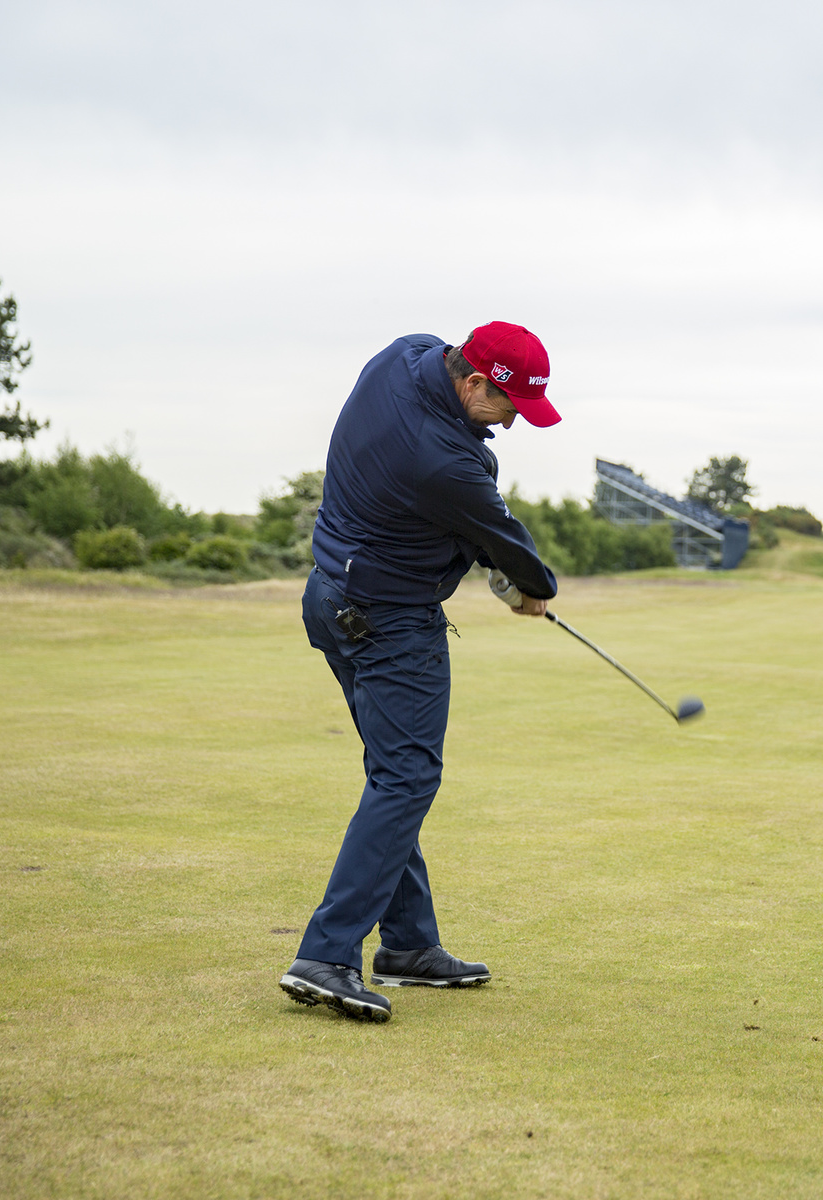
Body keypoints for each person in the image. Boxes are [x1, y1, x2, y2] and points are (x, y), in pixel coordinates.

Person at [280, 322, 560, 1023]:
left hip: (330, 600)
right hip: (389, 622)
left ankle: (406, 946)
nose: (512, 424)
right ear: (472, 383)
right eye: (509, 408)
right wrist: (532, 587)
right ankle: (326, 953)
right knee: (407, 778)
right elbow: (513, 550)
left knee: (392, 774)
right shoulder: (450, 461)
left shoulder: (402, 353)